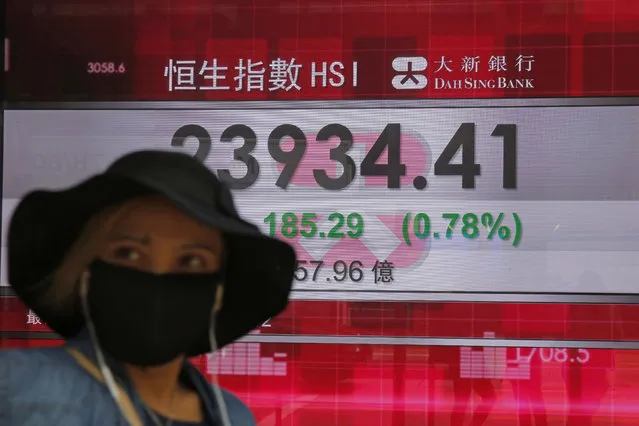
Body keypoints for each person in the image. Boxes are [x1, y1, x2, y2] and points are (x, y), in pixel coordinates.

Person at [0, 150, 297, 426]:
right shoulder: (16, 386)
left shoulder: (234, 416)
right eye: (127, 253)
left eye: (192, 261)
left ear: (218, 292)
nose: (158, 276)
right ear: (85, 273)